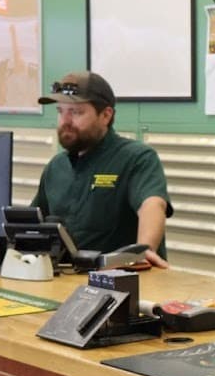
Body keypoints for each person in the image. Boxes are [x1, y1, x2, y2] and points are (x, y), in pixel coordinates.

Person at [33, 71, 172, 267]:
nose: (65, 121)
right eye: (60, 111)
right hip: (66, 279)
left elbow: (152, 204)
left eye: (76, 112)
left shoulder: (136, 158)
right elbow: (33, 223)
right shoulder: (56, 167)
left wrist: (144, 250)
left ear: (106, 115)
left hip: (121, 280)